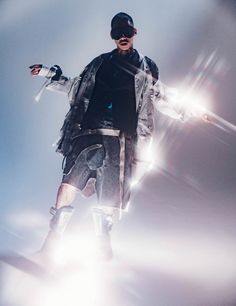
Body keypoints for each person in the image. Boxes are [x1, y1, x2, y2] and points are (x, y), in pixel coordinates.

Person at [29, 12, 202, 260]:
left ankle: (102, 243)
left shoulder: (146, 67)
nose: (122, 36)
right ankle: (52, 241)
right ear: (112, 36)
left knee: (109, 195)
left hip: (120, 138)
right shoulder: (99, 64)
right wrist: (47, 72)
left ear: (134, 33)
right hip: (88, 132)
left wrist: (190, 110)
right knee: (68, 184)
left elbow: (161, 96)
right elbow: (76, 87)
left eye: (126, 32)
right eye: (117, 33)